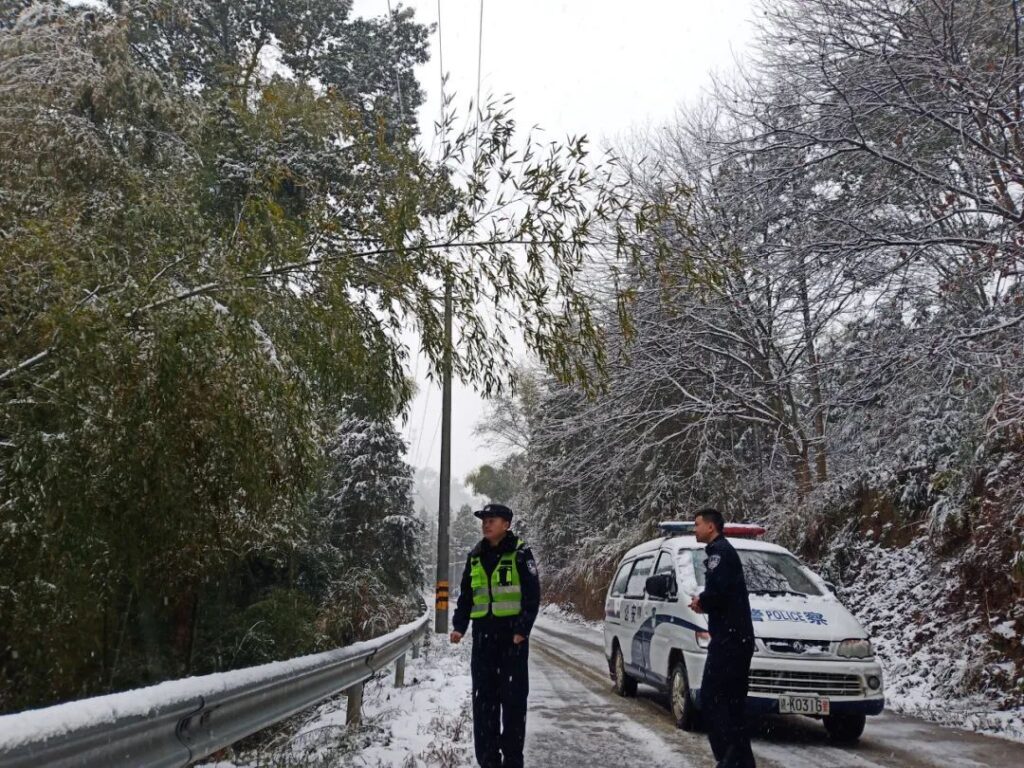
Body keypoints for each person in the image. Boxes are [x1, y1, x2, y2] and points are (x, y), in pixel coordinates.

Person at [450, 502, 541, 768]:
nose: (486, 523)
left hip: (512, 643)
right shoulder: (475, 556)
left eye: (493, 519)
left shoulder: (521, 553)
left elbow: (532, 596)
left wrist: (522, 631)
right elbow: (466, 596)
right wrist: (459, 626)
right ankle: (489, 762)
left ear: (506, 524)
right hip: (482, 643)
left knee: (513, 705)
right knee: (484, 704)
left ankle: (512, 761)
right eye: (484, 519)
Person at [688, 508, 757, 768]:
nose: (694, 529)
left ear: (710, 527)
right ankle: (741, 761)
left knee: (713, 699)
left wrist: (702, 601)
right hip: (736, 639)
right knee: (733, 703)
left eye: (697, 524)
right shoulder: (723, 552)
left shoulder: (720, 553)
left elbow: (718, 591)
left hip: (729, 641)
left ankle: (729, 759)